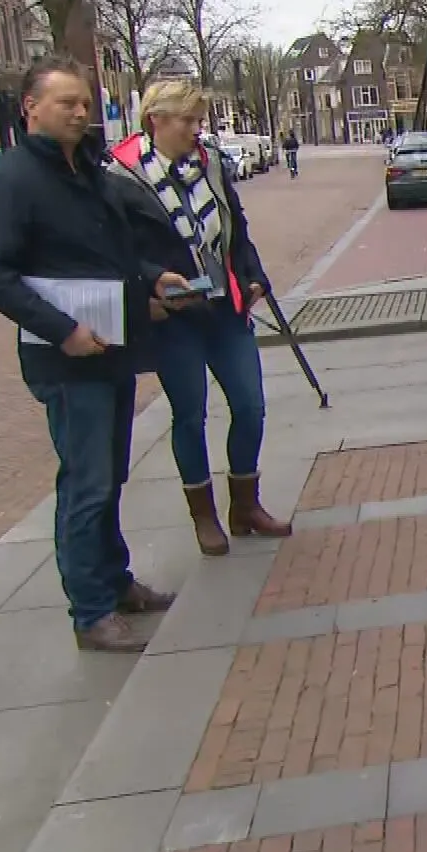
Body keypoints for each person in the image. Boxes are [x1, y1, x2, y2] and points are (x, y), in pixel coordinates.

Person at [0, 57, 194, 652]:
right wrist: (62, 329)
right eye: (66, 102)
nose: (79, 112)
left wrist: (151, 277)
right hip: (68, 360)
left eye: (85, 103)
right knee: (86, 483)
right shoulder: (13, 180)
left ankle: (115, 583)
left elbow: (110, 253)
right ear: (31, 107)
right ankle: (91, 611)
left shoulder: (90, 171)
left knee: (109, 476)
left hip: (112, 348)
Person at [106, 79, 291, 557]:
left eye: (198, 120)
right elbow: (121, 250)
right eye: (187, 120)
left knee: (250, 405)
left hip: (225, 309)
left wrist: (253, 276)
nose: (196, 129)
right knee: (189, 414)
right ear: (156, 121)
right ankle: (204, 516)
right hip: (176, 316)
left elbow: (236, 229)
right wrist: (152, 280)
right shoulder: (122, 178)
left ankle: (245, 504)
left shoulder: (209, 166)